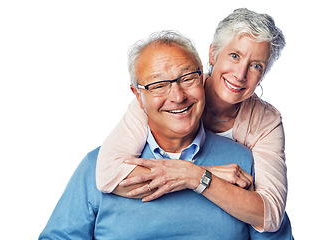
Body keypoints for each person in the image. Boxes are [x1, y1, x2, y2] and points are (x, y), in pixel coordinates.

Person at [39, 31, 293, 239]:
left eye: (187, 78)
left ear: (202, 76)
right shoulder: (99, 166)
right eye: (158, 85)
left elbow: (271, 224)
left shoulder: (244, 163)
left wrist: (197, 177)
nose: (178, 96)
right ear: (138, 95)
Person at [96, 8, 287, 232]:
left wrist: (195, 176)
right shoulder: (161, 98)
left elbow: (271, 215)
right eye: (235, 55)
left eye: (256, 66)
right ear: (213, 54)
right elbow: (108, 174)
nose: (240, 74)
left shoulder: (266, 121)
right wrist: (203, 174)